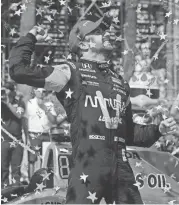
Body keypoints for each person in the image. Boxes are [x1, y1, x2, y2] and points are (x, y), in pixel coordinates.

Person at [9, 12, 177, 204]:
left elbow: (129, 134)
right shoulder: (69, 72)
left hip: (121, 171)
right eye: (98, 31)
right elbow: (18, 71)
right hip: (88, 167)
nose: (107, 33)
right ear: (83, 44)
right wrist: (29, 38)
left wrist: (158, 130)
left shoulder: (120, 82)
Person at [26, 88, 57, 177]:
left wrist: (45, 108)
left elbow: (54, 120)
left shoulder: (49, 104)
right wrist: (26, 136)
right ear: (35, 91)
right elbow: (25, 119)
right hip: (33, 134)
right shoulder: (29, 103)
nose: (41, 93)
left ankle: (44, 181)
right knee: (32, 159)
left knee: (46, 159)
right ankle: (31, 181)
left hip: (46, 134)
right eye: (39, 91)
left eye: (43, 91)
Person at [1, 83, 25, 187]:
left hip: (17, 140)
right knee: (3, 167)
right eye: (2, 91)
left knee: (16, 168)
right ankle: (3, 187)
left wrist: (8, 103)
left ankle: (16, 188)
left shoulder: (19, 102)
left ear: (12, 91)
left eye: (6, 91)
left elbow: (19, 115)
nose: (4, 93)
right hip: (3, 140)